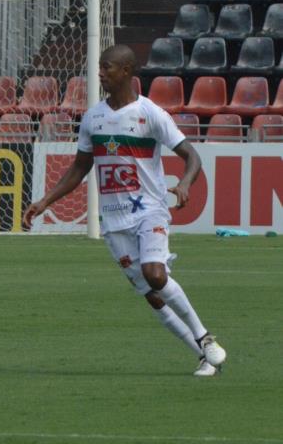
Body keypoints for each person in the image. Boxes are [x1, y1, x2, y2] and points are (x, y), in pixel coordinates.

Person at [23, 45, 226, 377]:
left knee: (155, 275)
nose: (100, 73)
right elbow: (79, 168)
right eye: (100, 67)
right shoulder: (93, 118)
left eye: (107, 67)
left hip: (150, 209)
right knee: (153, 296)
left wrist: (186, 183)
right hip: (114, 219)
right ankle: (204, 357)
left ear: (128, 71)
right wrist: (45, 202)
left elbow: (192, 156)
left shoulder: (151, 114)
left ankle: (204, 338)